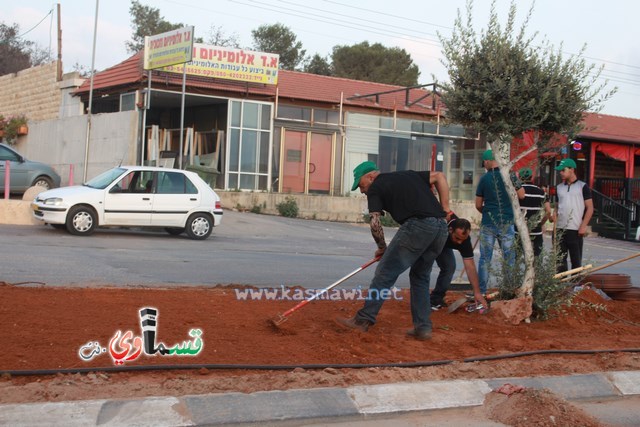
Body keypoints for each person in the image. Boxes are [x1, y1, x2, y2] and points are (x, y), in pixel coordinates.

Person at [337, 161, 450, 341]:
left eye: (361, 185)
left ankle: (363, 319)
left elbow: (375, 222)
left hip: (418, 226)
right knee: (420, 276)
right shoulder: (408, 174)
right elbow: (440, 177)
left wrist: (382, 247)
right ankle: (423, 328)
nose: (361, 190)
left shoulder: (376, 186)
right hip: (441, 229)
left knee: (384, 273)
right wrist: (445, 208)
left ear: (371, 176)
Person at [475, 150, 525, 295]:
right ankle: (508, 290)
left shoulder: (484, 179)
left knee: (485, 259)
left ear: (488, 161)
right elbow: (522, 195)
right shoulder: (509, 175)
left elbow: (478, 204)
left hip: (488, 222)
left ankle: (482, 292)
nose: (484, 165)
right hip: (507, 221)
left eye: (484, 162)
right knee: (509, 258)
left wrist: (488, 212)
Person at [430, 216, 488, 311]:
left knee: (449, 267)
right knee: (424, 267)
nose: (460, 242)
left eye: (463, 239)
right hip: (431, 240)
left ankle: (435, 299)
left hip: (444, 246)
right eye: (457, 238)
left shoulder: (465, 242)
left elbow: (470, 267)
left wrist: (477, 292)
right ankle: (421, 300)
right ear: (450, 230)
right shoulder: (441, 228)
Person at [552, 158, 594, 273]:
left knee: (576, 262)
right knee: (560, 262)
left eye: (563, 170)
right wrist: (554, 213)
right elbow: (557, 205)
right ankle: (561, 287)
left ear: (572, 169)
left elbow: (590, 208)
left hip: (575, 229)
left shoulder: (582, 186)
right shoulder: (559, 187)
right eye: (559, 170)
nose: (560, 172)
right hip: (559, 229)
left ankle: (575, 287)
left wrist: (583, 226)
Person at [517, 167, 552, 257]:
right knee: (536, 259)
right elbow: (548, 211)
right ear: (531, 177)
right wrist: (540, 223)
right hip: (536, 231)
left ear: (520, 178)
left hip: (519, 230)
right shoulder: (541, 192)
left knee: (516, 259)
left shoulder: (517, 192)